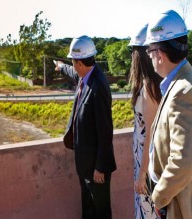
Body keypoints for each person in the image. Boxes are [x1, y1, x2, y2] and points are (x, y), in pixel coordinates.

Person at [54, 35, 116, 219]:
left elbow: (106, 132)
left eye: (73, 62)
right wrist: (61, 66)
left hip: (96, 169)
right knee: (88, 210)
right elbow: (72, 73)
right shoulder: (85, 74)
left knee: (101, 211)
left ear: (80, 63)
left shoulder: (98, 86)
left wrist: (100, 168)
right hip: (85, 164)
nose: (73, 66)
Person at [145, 10, 192, 219]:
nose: (150, 57)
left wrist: (160, 196)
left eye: (149, 51)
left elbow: (184, 159)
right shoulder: (182, 83)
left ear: (160, 54)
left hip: (179, 200)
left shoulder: (182, 92)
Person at [128, 24, 163, 219]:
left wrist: (142, 174)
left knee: (147, 213)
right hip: (147, 164)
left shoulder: (148, 89)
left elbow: (151, 133)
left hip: (147, 167)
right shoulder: (153, 85)